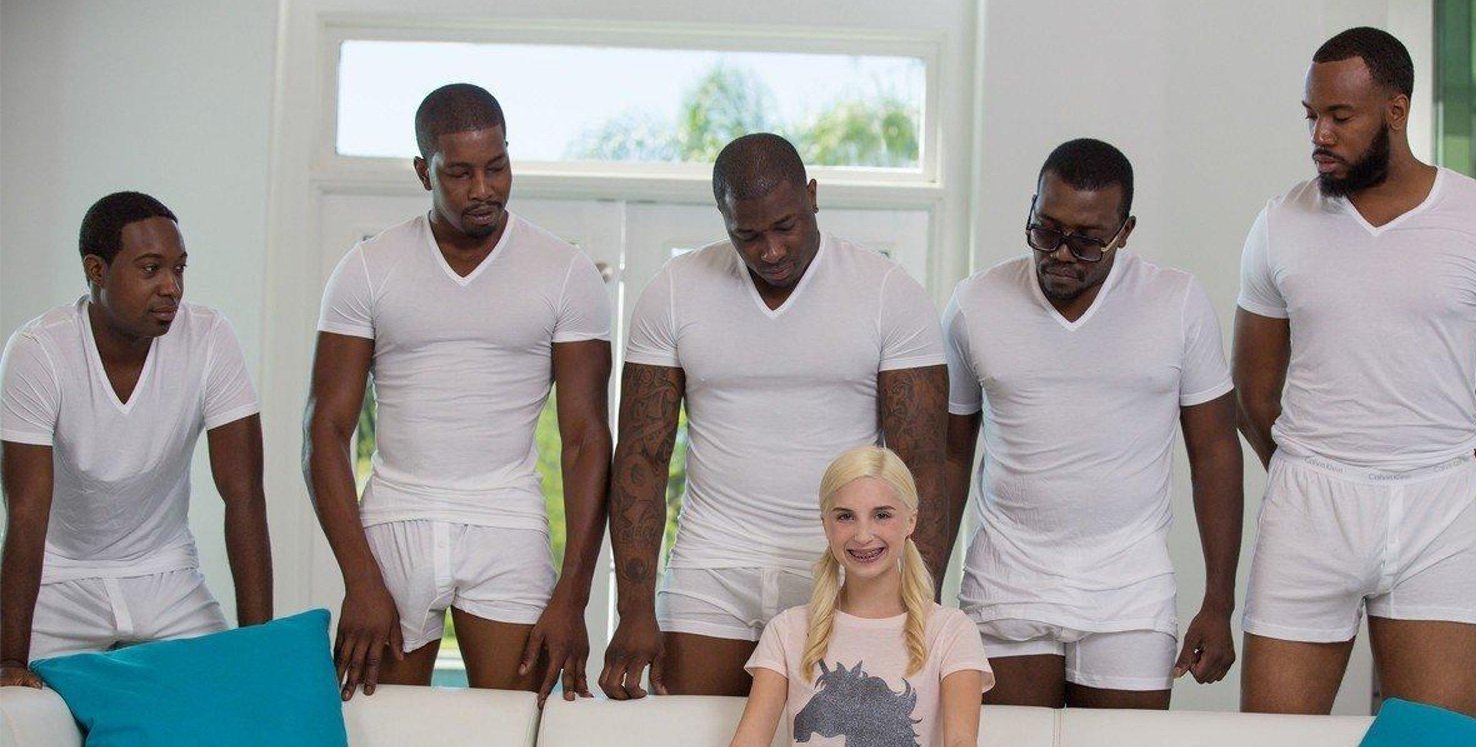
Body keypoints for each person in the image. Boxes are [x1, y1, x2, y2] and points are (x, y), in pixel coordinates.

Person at [601, 133, 950, 699]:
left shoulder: (888, 292)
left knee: (829, 741)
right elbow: (642, 455)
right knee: (694, 736)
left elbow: (921, 467)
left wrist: (914, 603)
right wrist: (634, 610)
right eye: (748, 234)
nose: (770, 251)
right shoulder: (675, 290)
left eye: (786, 226)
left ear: (812, 196)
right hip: (711, 563)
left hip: (839, 561)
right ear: (723, 219)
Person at [305, 84, 612, 703]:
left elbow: (585, 438)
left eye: (496, 167)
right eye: (460, 173)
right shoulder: (368, 267)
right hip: (396, 516)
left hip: (507, 518)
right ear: (424, 172)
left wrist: (573, 595)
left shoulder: (564, 271)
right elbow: (326, 431)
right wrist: (360, 579)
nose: (483, 189)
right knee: (383, 728)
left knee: (516, 729)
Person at [1235, 27, 1476, 716]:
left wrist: (1455, 475)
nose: (1319, 135)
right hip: (1309, 506)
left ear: (1396, 110)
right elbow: (1253, 392)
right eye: (1311, 116)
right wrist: (1310, 474)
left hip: (1437, 508)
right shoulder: (1280, 223)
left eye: (1340, 116)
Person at [945, 139, 1243, 709]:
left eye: (1086, 241)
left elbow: (1215, 452)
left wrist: (1219, 603)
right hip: (1005, 581)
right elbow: (950, 456)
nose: (1061, 253)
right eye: (1045, 230)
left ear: (1124, 232)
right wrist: (919, 598)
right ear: (1032, 208)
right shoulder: (975, 304)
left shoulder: (1176, 301)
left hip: (1130, 589)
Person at [1, 191, 272, 688]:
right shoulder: (39, 351)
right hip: (60, 576)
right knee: (19, 712)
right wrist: (10, 662)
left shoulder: (210, 337)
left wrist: (257, 648)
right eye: (151, 269)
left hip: (165, 573)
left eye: (179, 269)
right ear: (97, 270)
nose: (172, 287)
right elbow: (25, 513)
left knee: (230, 697)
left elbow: (244, 495)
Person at [712, 446, 990, 747]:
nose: (863, 535)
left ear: (911, 521)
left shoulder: (951, 631)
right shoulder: (788, 630)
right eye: (845, 516)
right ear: (826, 526)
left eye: (882, 515)